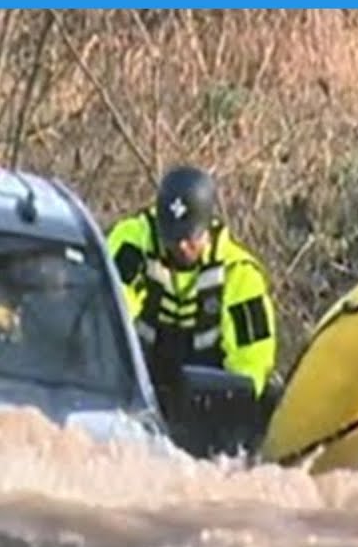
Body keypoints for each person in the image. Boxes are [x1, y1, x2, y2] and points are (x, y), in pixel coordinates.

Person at [105, 164, 278, 420]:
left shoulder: (239, 274)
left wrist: (231, 409)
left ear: (208, 226)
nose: (181, 246)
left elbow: (252, 361)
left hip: (208, 404)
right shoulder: (133, 242)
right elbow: (108, 310)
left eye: (190, 238)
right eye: (172, 238)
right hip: (136, 388)